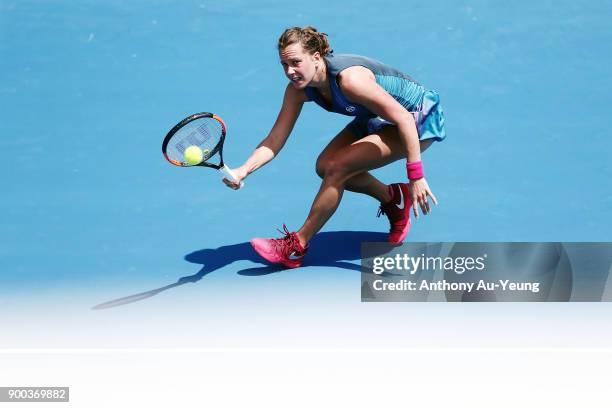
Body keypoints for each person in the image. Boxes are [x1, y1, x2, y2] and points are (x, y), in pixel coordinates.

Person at [223, 26, 446, 268]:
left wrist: (416, 176)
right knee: (324, 166)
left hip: (416, 121)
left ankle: (297, 245)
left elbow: (403, 118)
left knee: (338, 167)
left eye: (296, 62)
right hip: (374, 115)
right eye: (284, 65)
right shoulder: (297, 91)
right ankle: (393, 199)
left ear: (316, 57)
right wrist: (243, 169)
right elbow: (275, 139)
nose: (290, 71)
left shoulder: (351, 81)